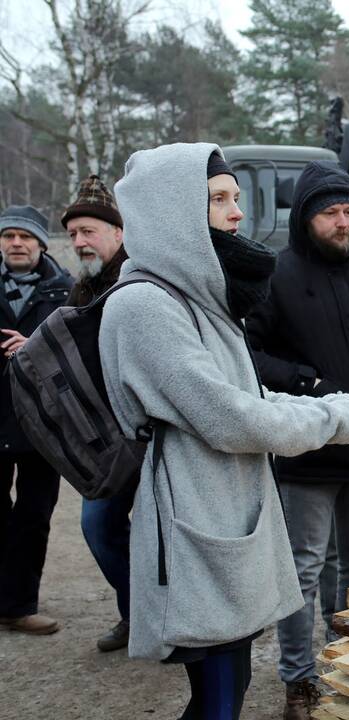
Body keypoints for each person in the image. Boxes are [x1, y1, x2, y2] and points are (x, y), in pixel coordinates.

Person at [99, 143, 349, 720]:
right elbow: (231, 418)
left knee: (230, 685)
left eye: (235, 198)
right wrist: (332, 419)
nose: (238, 213)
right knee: (219, 698)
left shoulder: (201, 296)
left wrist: (328, 404)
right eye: (218, 199)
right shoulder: (145, 304)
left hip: (224, 513)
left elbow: (246, 395)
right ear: (173, 210)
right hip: (194, 520)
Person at [244, 160, 349, 720]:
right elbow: (253, 353)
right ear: (306, 219)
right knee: (303, 567)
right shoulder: (277, 274)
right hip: (308, 445)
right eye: (330, 213)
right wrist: (307, 383)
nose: (343, 223)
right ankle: (297, 678)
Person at [61, 175, 134, 651]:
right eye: (72, 235)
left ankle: (165, 619)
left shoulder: (136, 281)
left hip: (146, 434)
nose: (80, 241)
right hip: (104, 440)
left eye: (89, 231)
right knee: (99, 526)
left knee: (158, 533)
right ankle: (136, 611)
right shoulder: (82, 287)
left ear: (118, 232)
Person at [0, 205, 73, 636]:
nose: (16, 244)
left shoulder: (64, 292)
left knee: (33, 516)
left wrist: (35, 349)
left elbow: (78, 352)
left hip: (42, 424)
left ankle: (19, 605)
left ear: (41, 244)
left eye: (25, 237)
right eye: (8, 236)